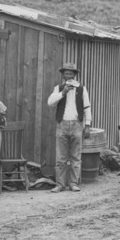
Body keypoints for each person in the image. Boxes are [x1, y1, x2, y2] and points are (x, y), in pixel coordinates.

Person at [46, 62, 91, 193]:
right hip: (62, 124)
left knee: (75, 157)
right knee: (61, 157)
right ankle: (60, 184)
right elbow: (50, 102)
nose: (69, 76)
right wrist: (63, 92)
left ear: (74, 75)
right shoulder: (58, 88)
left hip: (77, 124)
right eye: (66, 74)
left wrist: (87, 124)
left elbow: (87, 107)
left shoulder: (82, 88)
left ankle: (73, 183)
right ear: (63, 75)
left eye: (71, 74)